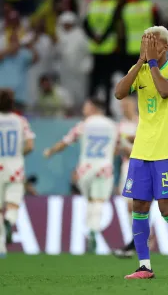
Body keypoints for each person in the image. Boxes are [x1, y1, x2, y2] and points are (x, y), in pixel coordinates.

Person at [114, 26, 168, 279]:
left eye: (151, 43)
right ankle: (144, 266)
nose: (146, 46)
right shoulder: (139, 68)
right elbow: (119, 93)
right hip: (141, 150)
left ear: (164, 47)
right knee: (138, 205)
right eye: (143, 42)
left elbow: (165, 90)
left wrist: (151, 64)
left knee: (167, 209)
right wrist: (140, 61)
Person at [43, 98, 119, 253]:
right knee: (99, 201)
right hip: (104, 167)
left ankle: (90, 227)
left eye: (86, 106)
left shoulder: (83, 125)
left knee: (89, 200)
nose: (84, 109)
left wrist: (50, 151)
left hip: (85, 169)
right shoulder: (113, 126)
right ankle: (93, 228)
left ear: (93, 108)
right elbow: (119, 145)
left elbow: (66, 141)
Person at [0, 89, 35, 256]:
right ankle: (10, 220)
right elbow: (30, 145)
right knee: (13, 203)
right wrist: (18, 154)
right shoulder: (20, 121)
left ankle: (1, 248)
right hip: (15, 168)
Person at [113, 97, 139, 258]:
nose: (124, 108)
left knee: (137, 204)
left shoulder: (141, 123)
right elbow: (117, 148)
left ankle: (138, 240)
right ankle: (136, 239)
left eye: (127, 105)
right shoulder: (120, 126)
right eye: (122, 106)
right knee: (128, 206)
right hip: (125, 168)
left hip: (140, 166)